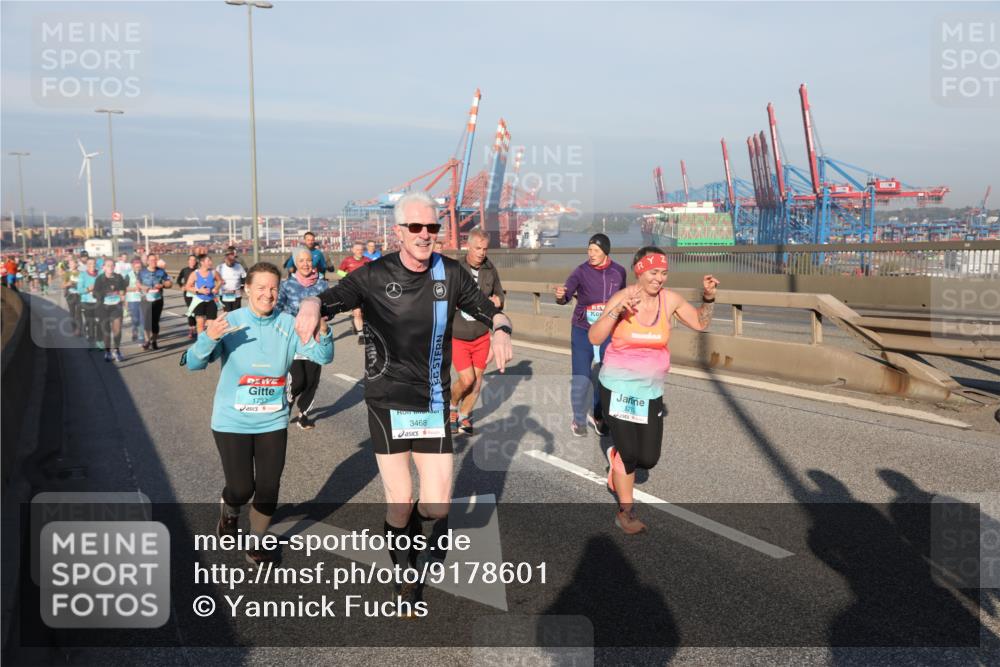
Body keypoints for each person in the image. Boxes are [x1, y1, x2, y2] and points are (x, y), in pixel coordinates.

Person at [293, 191, 514, 611]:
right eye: (416, 227)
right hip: (386, 400)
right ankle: (405, 577)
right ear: (398, 232)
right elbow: (331, 298)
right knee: (399, 503)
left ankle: (424, 522)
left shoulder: (450, 273)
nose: (426, 234)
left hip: (432, 401)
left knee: (435, 504)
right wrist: (310, 302)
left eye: (433, 227)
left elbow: (489, 310)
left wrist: (502, 327)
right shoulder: (375, 275)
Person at [184, 262, 333, 565]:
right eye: (261, 287)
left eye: (274, 288)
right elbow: (194, 363)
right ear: (247, 289)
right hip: (232, 420)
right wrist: (209, 337)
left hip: (272, 418)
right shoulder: (231, 321)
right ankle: (229, 510)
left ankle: (258, 541)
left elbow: (322, 356)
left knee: (268, 485)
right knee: (241, 488)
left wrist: (324, 332)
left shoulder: (289, 323)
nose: (268, 294)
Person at [588, 247, 718, 534]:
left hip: (650, 390)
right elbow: (595, 336)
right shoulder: (623, 297)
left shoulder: (669, 300)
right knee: (630, 453)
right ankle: (626, 512)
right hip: (618, 386)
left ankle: (615, 458)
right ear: (639, 271)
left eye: (663, 273)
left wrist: (708, 297)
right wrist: (616, 312)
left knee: (649, 459)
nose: (659, 279)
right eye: (653, 272)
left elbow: (700, 323)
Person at [553, 233, 627, 437]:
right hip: (582, 330)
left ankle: (598, 415)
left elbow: (623, 297)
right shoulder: (581, 271)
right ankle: (578, 419)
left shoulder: (619, 272)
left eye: (596, 250)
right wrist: (561, 296)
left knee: (606, 377)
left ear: (605, 252)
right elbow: (566, 295)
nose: (591, 254)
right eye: (589, 250)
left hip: (607, 330)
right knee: (581, 377)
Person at [449, 228, 504, 435]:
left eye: (485, 248)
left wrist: (499, 300)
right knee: (467, 379)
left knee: (477, 382)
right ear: (468, 247)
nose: (482, 252)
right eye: (477, 248)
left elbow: (499, 293)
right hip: (459, 334)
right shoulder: (455, 268)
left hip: (481, 334)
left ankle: (464, 416)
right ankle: (452, 405)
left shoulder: (490, 269)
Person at [276, 247, 331, 429]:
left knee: (312, 381)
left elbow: (329, 308)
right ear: (295, 263)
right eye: (301, 261)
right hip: (294, 339)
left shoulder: (322, 285)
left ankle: (303, 415)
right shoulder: (286, 285)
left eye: (308, 260)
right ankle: (287, 405)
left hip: (315, 339)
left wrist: (323, 318)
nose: (306, 264)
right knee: (298, 379)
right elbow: (278, 309)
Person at [93, 258, 129, 362]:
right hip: (103, 308)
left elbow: (123, 290)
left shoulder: (118, 277)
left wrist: (122, 295)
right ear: (103, 267)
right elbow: (95, 293)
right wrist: (104, 294)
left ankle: (116, 350)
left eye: (112, 265)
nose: (110, 267)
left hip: (116, 306)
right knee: (106, 331)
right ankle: (107, 351)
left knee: (117, 329)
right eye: (108, 265)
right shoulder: (100, 279)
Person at [336, 241, 370, 344]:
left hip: (366, 290)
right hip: (353, 290)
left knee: (366, 313)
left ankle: (358, 325)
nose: (359, 251)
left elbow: (372, 272)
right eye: (357, 250)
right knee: (357, 313)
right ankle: (361, 335)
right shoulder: (347, 260)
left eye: (361, 250)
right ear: (353, 250)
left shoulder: (367, 260)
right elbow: (339, 271)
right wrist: (348, 277)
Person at [138, 253, 172, 350]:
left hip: (158, 300)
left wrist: (163, 285)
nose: (153, 262)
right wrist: (142, 287)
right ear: (148, 261)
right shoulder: (142, 272)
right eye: (151, 260)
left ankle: (154, 341)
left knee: (155, 322)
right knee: (146, 321)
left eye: (154, 260)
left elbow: (170, 283)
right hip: (145, 299)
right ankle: (147, 341)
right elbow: (138, 283)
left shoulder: (161, 272)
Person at [184, 254, 222, 336]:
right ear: (202, 262)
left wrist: (216, 288)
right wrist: (199, 290)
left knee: (211, 324)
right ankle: (201, 341)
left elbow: (220, 281)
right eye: (208, 261)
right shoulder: (195, 273)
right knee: (200, 324)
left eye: (210, 260)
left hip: (211, 300)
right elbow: (187, 287)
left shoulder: (213, 272)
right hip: (199, 301)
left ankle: (209, 341)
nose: (211, 262)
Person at [77, 258, 101, 346]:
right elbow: (79, 290)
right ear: (87, 265)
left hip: (99, 301)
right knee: (90, 322)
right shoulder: (82, 275)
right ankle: (91, 341)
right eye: (90, 263)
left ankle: (99, 341)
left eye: (94, 263)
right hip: (87, 302)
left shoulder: (100, 274)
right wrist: (88, 289)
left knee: (99, 322)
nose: (92, 265)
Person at [177, 255, 198, 339]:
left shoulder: (198, 270)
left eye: (194, 260)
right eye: (191, 260)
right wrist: (181, 286)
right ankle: (191, 329)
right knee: (191, 310)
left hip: (197, 293)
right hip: (188, 293)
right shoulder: (184, 270)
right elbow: (178, 279)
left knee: (197, 311)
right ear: (188, 261)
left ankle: (195, 328)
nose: (192, 261)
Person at [125, 257, 145, 344]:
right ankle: (134, 329)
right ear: (132, 266)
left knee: (142, 319)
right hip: (132, 299)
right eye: (136, 266)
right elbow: (124, 288)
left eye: (139, 266)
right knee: (136, 319)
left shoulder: (145, 274)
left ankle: (141, 337)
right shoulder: (128, 275)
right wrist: (134, 288)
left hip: (143, 299)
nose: (138, 268)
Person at [62, 257, 82, 335]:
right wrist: (68, 284)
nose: (71, 265)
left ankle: (79, 329)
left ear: (76, 264)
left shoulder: (81, 273)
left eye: (73, 263)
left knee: (79, 313)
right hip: (70, 295)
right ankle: (74, 328)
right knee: (72, 313)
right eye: (70, 264)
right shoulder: (67, 273)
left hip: (79, 295)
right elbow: (62, 285)